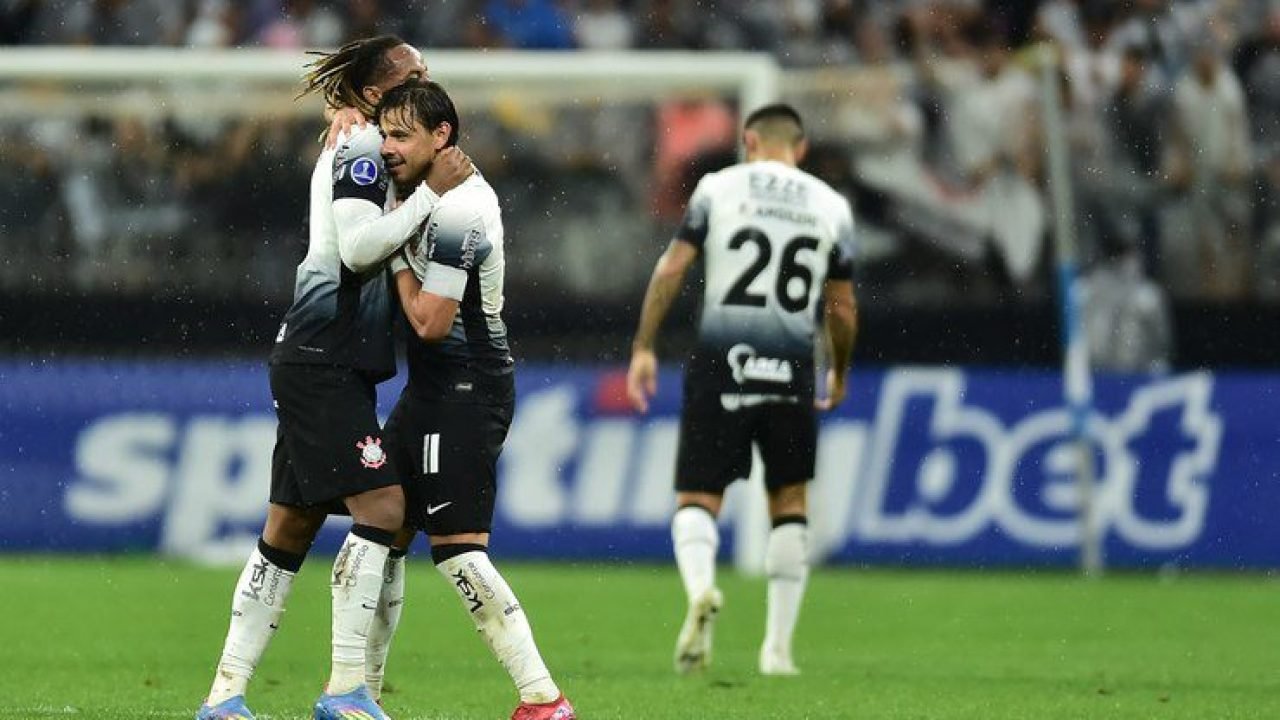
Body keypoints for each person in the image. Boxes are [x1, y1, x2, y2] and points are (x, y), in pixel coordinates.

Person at [196, 36, 472, 720]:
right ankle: (346, 687)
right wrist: (431, 194)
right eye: (414, 75)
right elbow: (355, 248)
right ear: (377, 95)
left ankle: (224, 697)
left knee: (287, 529)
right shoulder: (356, 150)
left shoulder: (370, 145)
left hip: (326, 357)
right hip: (324, 356)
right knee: (385, 509)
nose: (427, 82)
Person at [626, 103, 858, 677]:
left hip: (721, 360)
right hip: (791, 365)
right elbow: (842, 305)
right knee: (790, 501)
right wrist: (840, 368)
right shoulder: (831, 206)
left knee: (698, 498)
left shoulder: (719, 188)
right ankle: (777, 651)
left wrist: (644, 345)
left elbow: (671, 269)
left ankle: (701, 591)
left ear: (749, 141)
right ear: (799, 149)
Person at [376, 80, 576, 720]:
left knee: (457, 548)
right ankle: (359, 691)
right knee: (377, 536)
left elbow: (431, 321)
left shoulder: (464, 207)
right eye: (384, 134)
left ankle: (543, 697)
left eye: (401, 135)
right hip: (430, 387)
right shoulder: (419, 196)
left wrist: (394, 260)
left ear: (443, 137)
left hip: (466, 386)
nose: (387, 148)